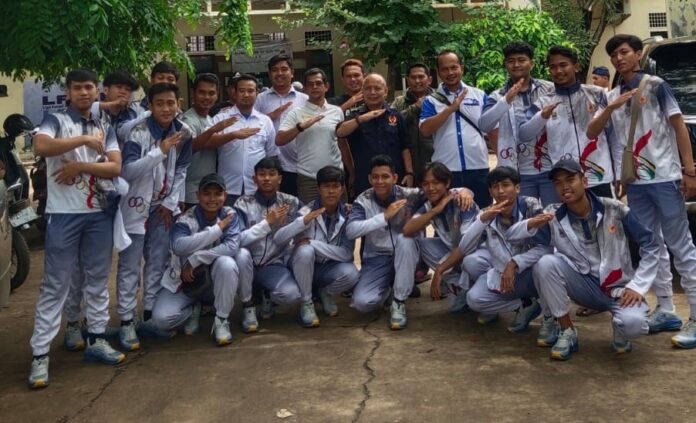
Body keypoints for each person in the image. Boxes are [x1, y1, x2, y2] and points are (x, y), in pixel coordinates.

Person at [587, 34, 696, 346]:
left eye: (624, 52)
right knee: (652, 245)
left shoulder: (656, 85)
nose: (619, 59)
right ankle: (666, 309)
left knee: (681, 246)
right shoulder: (613, 95)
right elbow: (598, 133)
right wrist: (611, 108)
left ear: (638, 54)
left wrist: (689, 171)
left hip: (665, 177)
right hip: (636, 183)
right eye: (614, 55)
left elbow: (679, 126)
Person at [28, 69, 124, 389]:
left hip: (99, 213)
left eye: (89, 87)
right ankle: (40, 355)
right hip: (63, 213)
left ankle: (96, 338)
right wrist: (84, 140)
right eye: (78, 88)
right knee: (55, 284)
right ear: (67, 92)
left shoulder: (105, 126)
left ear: (97, 91)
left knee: (97, 279)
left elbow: (115, 166)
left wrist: (80, 165)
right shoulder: (55, 120)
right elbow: (40, 146)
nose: (84, 92)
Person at [520, 159, 659, 360]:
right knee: (545, 264)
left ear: (584, 181)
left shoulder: (615, 209)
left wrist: (638, 286)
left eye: (570, 180)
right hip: (583, 286)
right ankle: (567, 330)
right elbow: (538, 248)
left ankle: (620, 325)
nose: (564, 187)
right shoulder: (552, 215)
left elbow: (651, 244)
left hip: (619, 288)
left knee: (634, 326)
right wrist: (515, 261)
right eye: (558, 183)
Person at [117, 83, 193, 351]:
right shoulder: (137, 132)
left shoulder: (184, 132)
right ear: (149, 106)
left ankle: (149, 315)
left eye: (170, 103)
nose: (165, 108)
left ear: (178, 103)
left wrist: (171, 202)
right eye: (159, 103)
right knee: (130, 264)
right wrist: (159, 151)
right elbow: (128, 171)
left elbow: (182, 169)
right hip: (135, 205)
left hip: (162, 207)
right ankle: (127, 320)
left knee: (158, 260)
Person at [151, 173, 256, 345]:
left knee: (227, 263)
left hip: (214, 281)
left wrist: (196, 258)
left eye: (217, 194)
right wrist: (216, 230)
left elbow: (231, 247)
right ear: (198, 195)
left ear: (225, 195)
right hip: (185, 281)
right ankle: (193, 309)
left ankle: (221, 320)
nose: (212, 199)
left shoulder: (229, 214)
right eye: (207, 194)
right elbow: (179, 246)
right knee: (161, 320)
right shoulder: (186, 218)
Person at [457, 166, 552, 332]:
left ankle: (550, 318)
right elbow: (464, 248)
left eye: (506, 185)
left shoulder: (530, 206)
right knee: (475, 298)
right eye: (495, 187)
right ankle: (525, 304)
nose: (500, 191)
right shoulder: (487, 213)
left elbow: (546, 248)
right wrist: (482, 220)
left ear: (517, 188)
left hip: (530, 273)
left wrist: (515, 263)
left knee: (547, 265)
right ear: (490, 191)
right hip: (504, 275)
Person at [233, 157, 324, 327]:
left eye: (271, 174)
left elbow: (307, 222)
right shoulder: (243, 203)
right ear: (254, 179)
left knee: (291, 294)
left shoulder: (291, 202)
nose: (266, 178)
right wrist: (267, 223)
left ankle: (275, 296)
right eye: (262, 174)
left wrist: (299, 237)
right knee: (241, 254)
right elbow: (238, 240)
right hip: (248, 264)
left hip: (274, 264)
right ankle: (248, 306)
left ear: (280, 178)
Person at [519, 45, 616, 198]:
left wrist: (619, 171)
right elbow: (524, 133)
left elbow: (613, 135)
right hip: (565, 180)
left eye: (563, 65)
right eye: (553, 67)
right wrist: (542, 116)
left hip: (599, 175)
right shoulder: (544, 101)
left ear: (576, 67)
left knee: (605, 213)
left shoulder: (597, 95)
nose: (558, 71)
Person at [346, 155, 423, 329]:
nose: (380, 181)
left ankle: (399, 301)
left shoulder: (409, 195)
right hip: (377, 258)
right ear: (369, 179)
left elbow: (437, 192)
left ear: (395, 178)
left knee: (405, 240)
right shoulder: (363, 200)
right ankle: (392, 288)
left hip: (407, 256)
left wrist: (463, 191)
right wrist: (384, 217)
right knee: (362, 303)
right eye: (375, 177)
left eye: (385, 176)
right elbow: (351, 231)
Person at [479, 42, 557, 205]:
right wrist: (506, 101)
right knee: (524, 216)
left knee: (553, 214)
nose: (516, 65)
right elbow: (484, 125)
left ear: (532, 63)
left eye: (521, 60)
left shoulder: (550, 89)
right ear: (505, 65)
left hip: (551, 168)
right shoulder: (497, 95)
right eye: (511, 61)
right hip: (518, 173)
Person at [419, 50, 493, 207]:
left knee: (482, 212)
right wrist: (450, 109)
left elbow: (492, 128)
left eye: (454, 67)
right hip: (446, 170)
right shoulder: (431, 101)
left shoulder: (479, 95)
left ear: (462, 68)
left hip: (478, 167)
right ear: (438, 72)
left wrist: (501, 157)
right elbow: (425, 129)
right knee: (447, 214)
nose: (450, 72)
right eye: (445, 69)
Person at [402, 161, 477, 312]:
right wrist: (437, 210)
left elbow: (466, 246)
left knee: (472, 266)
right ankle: (459, 287)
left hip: (475, 254)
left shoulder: (462, 200)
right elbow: (407, 230)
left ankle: (481, 292)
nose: (431, 188)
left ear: (447, 182)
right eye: (426, 184)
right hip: (455, 251)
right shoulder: (431, 204)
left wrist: (439, 271)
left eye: (436, 182)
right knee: (420, 245)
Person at [290, 166, 360, 319]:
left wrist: (312, 243)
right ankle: (307, 302)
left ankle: (325, 293)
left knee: (352, 274)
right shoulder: (305, 212)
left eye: (335, 186)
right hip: (303, 267)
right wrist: (301, 225)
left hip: (328, 269)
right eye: (326, 186)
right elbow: (290, 245)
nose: (331, 191)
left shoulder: (349, 214)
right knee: (304, 252)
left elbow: (346, 254)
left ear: (342, 189)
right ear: (318, 189)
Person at [336, 73, 415, 197]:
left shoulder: (395, 115)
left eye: (377, 88)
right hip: (365, 180)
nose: (372, 92)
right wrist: (362, 118)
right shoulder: (355, 116)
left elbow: (405, 146)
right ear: (362, 91)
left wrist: (409, 173)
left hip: (394, 178)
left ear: (386, 91)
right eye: (368, 88)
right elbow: (340, 132)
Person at [277, 68, 345, 203]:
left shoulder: (337, 111)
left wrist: (351, 172)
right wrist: (300, 127)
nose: (314, 87)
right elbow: (279, 140)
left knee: (339, 215)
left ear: (326, 86)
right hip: (308, 178)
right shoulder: (295, 113)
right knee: (309, 215)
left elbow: (341, 143)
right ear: (305, 89)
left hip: (335, 176)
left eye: (318, 83)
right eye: (310, 84)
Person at [212, 74, 279, 205]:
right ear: (234, 92)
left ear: (257, 93)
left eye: (250, 91)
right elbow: (208, 143)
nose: (246, 95)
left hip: (257, 188)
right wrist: (233, 135)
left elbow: (272, 155)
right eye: (242, 91)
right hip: (228, 187)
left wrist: (274, 185)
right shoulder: (221, 118)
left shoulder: (265, 121)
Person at [181, 73, 237, 209]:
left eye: (211, 93)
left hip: (209, 189)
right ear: (193, 93)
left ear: (217, 95)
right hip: (191, 191)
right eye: (202, 92)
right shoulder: (187, 120)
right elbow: (190, 148)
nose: (207, 97)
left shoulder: (210, 119)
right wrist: (214, 130)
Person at [255, 54, 308, 196]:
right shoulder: (260, 99)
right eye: (275, 70)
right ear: (269, 74)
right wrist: (269, 117)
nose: (279, 73)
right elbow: (251, 127)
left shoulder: (305, 100)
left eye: (284, 69)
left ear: (292, 73)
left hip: (298, 166)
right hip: (269, 169)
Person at [328, 59, 367, 194]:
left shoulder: (373, 99)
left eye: (356, 75)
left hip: (367, 159)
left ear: (364, 76)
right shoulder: (333, 103)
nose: (353, 79)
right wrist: (350, 103)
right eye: (348, 76)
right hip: (341, 163)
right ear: (343, 79)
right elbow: (327, 121)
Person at [392, 63, 434, 186]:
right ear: (407, 80)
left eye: (421, 77)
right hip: (407, 165)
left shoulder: (438, 100)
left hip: (434, 162)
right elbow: (392, 123)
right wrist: (415, 107)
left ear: (429, 79)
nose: (417, 81)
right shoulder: (399, 102)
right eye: (413, 77)